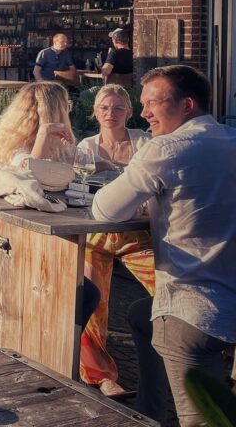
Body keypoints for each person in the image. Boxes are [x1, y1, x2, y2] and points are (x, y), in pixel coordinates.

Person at [91, 66, 236, 425]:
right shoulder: (231, 139)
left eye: (153, 103)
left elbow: (105, 209)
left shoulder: (167, 149)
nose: (144, 114)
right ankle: (151, 413)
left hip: (193, 310)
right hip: (230, 301)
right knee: (142, 315)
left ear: (187, 105)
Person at [0, 81, 101, 328]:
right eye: (66, 105)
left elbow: (81, 165)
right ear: (55, 111)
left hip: (46, 234)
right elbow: (29, 179)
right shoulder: (16, 148)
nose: (69, 110)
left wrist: (109, 165)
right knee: (83, 294)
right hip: (18, 241)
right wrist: (44, 134)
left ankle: (64, 347)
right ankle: (55, 345)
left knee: (85, 293)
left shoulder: (58, 144)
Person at [76, 84, 153, 398]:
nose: (111, 114)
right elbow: (77, 184)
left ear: (129, 112)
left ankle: (202, 355)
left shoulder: (144, 142)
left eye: (118, 108)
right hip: (98, 232)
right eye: (104, 108)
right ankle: (101, 376)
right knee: (93, 300)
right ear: (95, 112)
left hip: (136, 232)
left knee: (170, 285)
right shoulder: (86, 146)